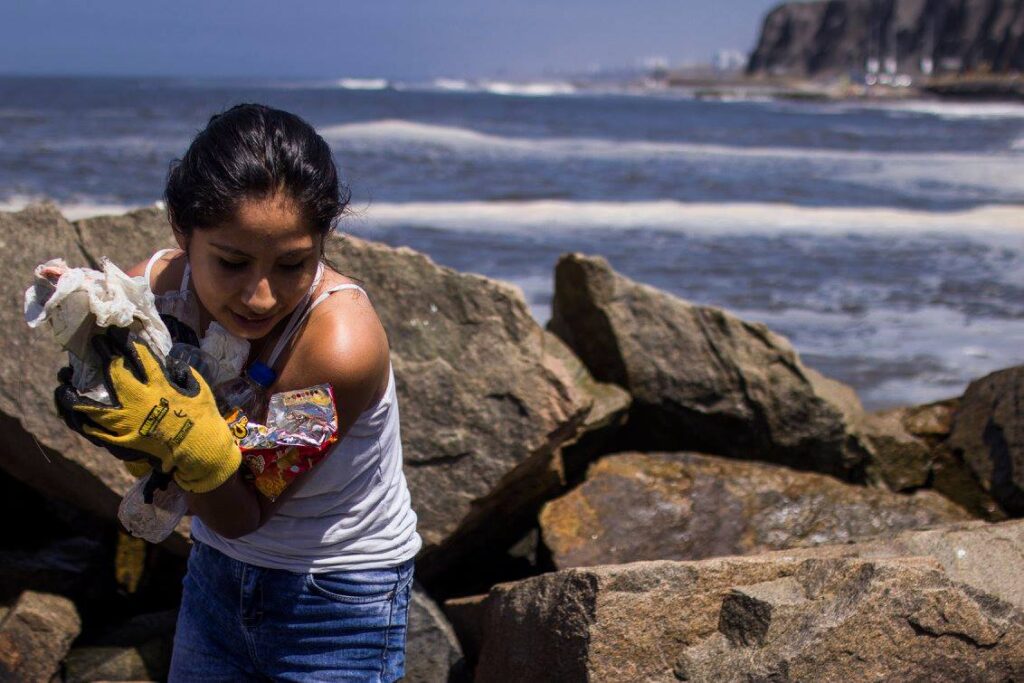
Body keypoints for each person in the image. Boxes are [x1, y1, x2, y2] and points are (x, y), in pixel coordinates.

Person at [56, 103, 421, 681]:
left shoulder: (338, 345)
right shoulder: (162, 292)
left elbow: (242, 510)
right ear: (182, 230)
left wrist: (170, 442)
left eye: (292, 264)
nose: (260, 296)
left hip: (334, 604)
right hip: (214, 578)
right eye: (231, 262)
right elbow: (97, 343)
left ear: (323, 242)